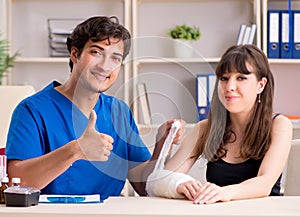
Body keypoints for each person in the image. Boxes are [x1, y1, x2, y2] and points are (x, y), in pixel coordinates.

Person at [5, 16, 183, 200]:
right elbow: (18, 184)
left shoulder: (119, 111)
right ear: (75, 54)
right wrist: (76, 150)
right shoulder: (32, 110)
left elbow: (144, 185)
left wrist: (162, 146)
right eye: (96, 52)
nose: (105, 65)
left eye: (115, 58)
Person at [146, 44, 293, 204]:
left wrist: (223, 192)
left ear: (261, 85)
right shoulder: (205, 129)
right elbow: (159, 182)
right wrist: (179, 184)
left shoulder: (279, 125)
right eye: (224, 78)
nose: (229, 87)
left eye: (241, 78)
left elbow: (264, 184)